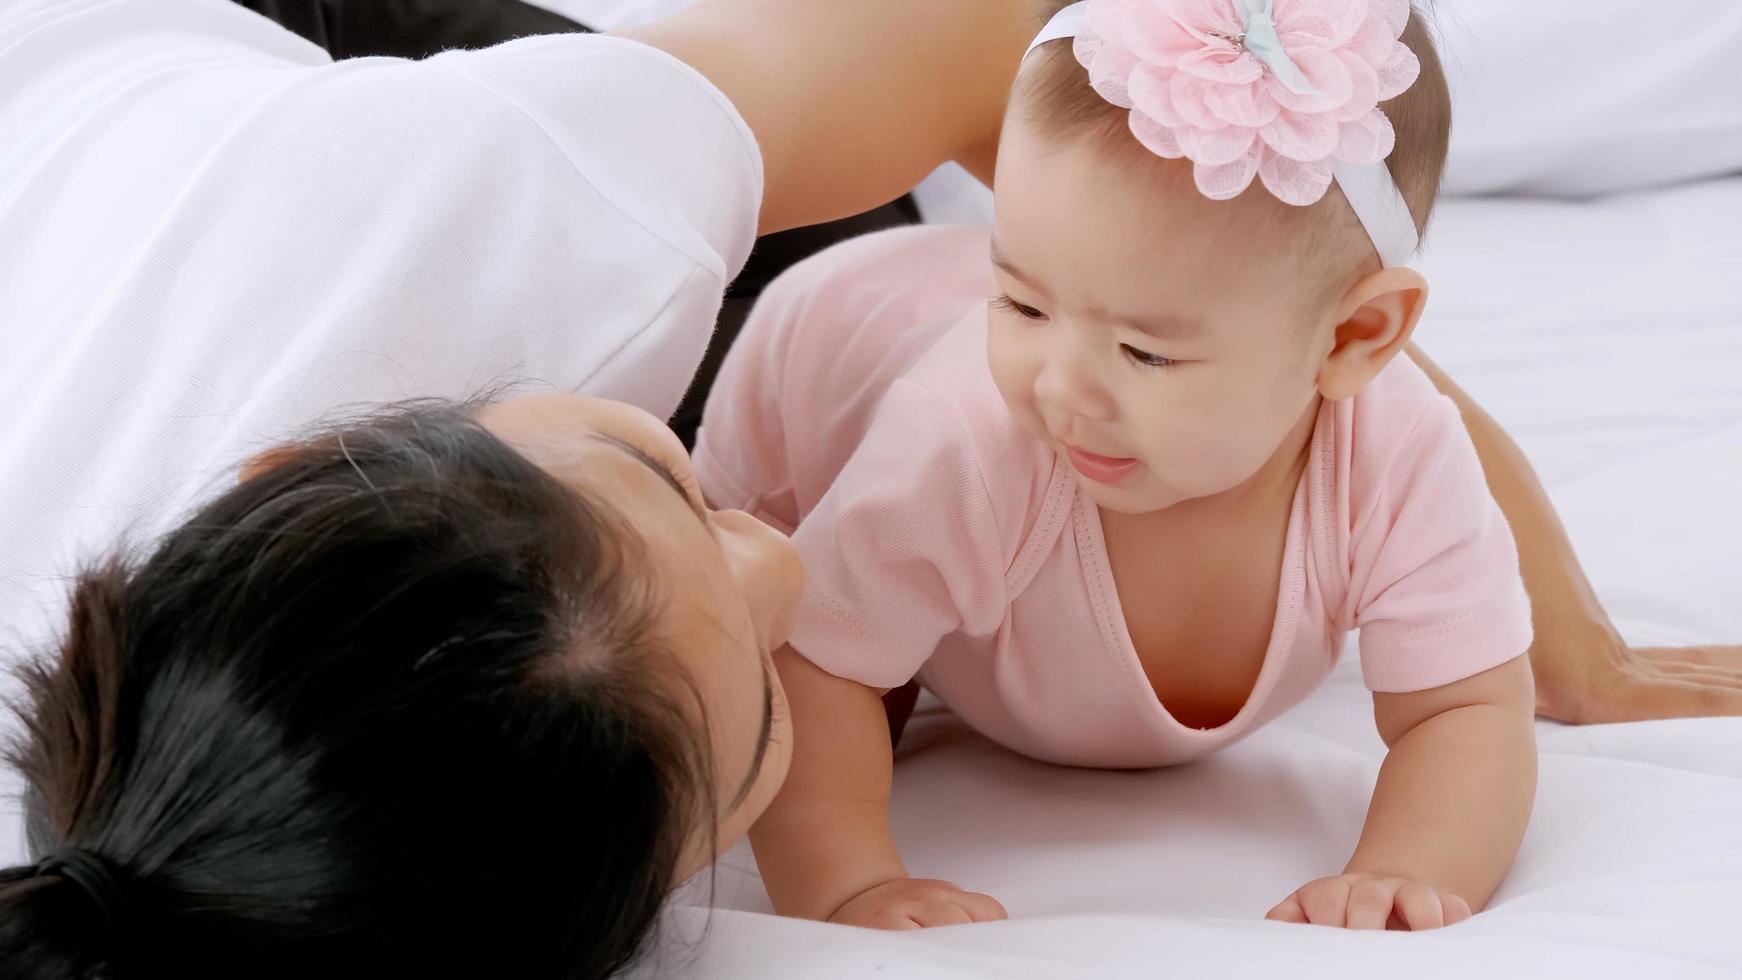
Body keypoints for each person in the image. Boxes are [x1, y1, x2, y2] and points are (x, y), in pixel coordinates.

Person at [0, 0, 1732, 974]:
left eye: (674, 496)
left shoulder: (530, 197)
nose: (792, 573)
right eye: (764, 723)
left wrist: (1513, 601)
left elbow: (1021, 51)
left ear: (302, 459)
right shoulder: (184, 828)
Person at [700, 0, 1523, 932]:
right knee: (749, 658)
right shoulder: (965, 439)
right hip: (818, 356)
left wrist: (1404, 870)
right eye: (1018, 302)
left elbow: (1470, 708)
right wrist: (851, 881)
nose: (1060, 389)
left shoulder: (1397, 454)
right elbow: (822, 667)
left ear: (1353, 336)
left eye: (1146, 353)